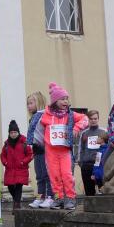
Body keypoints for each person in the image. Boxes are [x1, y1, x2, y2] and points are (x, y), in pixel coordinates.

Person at [37, 82, 88, 211]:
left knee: (67, 175)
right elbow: (39, 128)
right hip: (51, 151)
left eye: (66, 99)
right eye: (62, 99)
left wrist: (77, 128)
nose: (65, 101)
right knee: (54, 176)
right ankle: (58, 198)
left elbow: (85, 119)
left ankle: (70, 198)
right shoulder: (46, 115)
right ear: (55, 101)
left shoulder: (70, 115)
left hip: (65, 151)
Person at [26, 91, 54, 208]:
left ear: (38, 102)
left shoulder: (44, 115)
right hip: (37, 150)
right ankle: (41, 196)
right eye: (27, 104)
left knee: (47, 175)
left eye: (31, 103)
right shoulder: (32, 118)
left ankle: (50, 196)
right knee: (39, 175)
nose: (28, 106)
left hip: (45, 149)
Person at [0, 120, 33, 212]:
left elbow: (30, 154)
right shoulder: (6, 144)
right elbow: (2, 155)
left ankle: (16, 206)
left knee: (18, 187)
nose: (13, 134)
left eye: (15, 132)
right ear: (9, 133)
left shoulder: (24, 142)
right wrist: (5, 162)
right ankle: (16, 202)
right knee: (10, 187)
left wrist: (23, 162)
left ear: (18, 132)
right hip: (10, 169)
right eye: (11, 132)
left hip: (21, 169)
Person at [76, 110, 108, 196]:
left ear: (98, 119)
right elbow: (81, 149)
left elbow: (108, 148)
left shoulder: (104, 131)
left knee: (103, 191)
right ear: (88, 119)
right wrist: (80, 162)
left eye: (95, 118)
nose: (93, 120)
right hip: (86, 165)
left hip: (100, 165)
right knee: (89, 192)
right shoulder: (84, 133)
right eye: (91, 119)